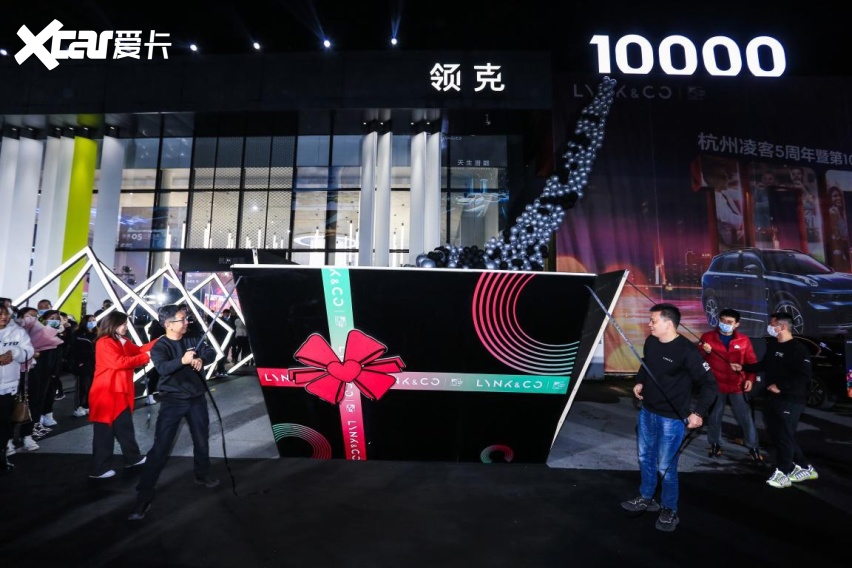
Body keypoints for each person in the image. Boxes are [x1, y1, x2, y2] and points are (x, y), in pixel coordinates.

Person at [621, 303, 717, 532]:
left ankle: (669, 508)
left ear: (668, 323)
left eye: (653, 320)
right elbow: (646, 364)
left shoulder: (687, 351)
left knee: (666, 465)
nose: (649, 324)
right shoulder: (652, 341)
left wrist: (698, 413)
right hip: (647, 412)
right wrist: (640, 381)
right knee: (645, 458)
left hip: (672, 419)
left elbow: (710, 385)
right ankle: (646, 497)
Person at [129, 305, 218, 521]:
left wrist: (201, 359)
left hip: (196, 399)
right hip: (172, 402)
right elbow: (162, 368)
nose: (186, 322)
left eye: (186, 319)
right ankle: (144, 495)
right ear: (168, 324)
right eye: (182, 319)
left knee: (201, 440)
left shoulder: (192, 337)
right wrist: (183, 361)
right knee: (160, 448)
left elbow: (210, 351)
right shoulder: (161, 345)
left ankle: (202, 474)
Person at [732, 313, 817, 488]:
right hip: (772, 398)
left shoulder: (798, 349)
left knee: (784, 435)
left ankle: (783, 473)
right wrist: (744, 367)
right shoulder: (773, 345)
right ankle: (804, 467)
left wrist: (781, 386)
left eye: (772, 325)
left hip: (791, 399)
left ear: (783, 326)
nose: (770, 328)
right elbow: (764, 365)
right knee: (778, 434)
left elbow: (804, 376)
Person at [88, 311, 152, 479]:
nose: (126, 327)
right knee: (104, 431)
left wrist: (160, 342)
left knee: (124, 427)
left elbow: (138, 350)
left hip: (119, 391)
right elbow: (119, 362)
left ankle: (132, 457)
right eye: (123, 324)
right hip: (107, 392)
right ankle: (99, 468)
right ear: (113, 324)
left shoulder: (121, 341)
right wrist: (145, 356)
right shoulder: (104, 342)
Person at [699, 308, 763, 464]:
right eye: (722, 320)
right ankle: (715, 444)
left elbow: (751, 362)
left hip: (737, 385)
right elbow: (698, 359)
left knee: (745, 417)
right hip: (716, 385)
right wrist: (704, 351)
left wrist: (750, 379)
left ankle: (753, 447)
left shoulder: (743, 340)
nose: (725, 324)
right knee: (714, 416)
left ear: (736, 324)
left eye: (729, 322)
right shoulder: (707, 337)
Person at [1, 304, 35, 473]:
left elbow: (29, 351)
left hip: (8, 387)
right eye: (0, 314)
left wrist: (13, 353)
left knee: (4, 423)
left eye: (5, 314)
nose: (3, 317)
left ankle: (2, 456)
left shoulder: (18, 332)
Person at [68, 314, 97, 417]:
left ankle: (87, 405)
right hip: (82, 364)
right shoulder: (78, 334)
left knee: (92, 386)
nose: (93, 322)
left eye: (94, 320)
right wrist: (77, 363)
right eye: (90, 320)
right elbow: (73, 350)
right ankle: (78, 406)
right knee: (82, 386)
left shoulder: (97, 334)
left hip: (94, 364)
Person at [827, 186, 849, 271]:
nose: (839, 198)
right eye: (835, 196)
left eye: (840, 195)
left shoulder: (843, 211)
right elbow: (844, 233)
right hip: (837, 248)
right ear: (830, 198)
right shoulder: (832, 212)